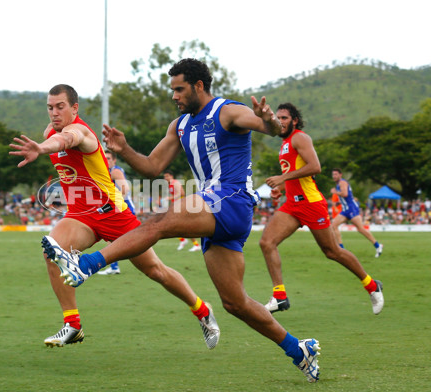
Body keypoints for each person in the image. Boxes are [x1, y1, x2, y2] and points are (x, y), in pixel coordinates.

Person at [40, 60, 321, 383]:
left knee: (160, 221)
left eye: (179, 89)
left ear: (198, 86)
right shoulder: (180, 125)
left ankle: (87, 264)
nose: (174, 95)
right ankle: (298, 349)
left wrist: (269, 120)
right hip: (215, 212)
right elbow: (151, 167)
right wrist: (125, 149)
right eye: (172, 89)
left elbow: (268, 128)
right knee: (235, 303)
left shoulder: (227, 111)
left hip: (230, 199)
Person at [9, 83, 220, 350]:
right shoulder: (49, 131)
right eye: (50, 107)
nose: (54, 112)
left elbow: (67, 139)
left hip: (113, 214)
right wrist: (44, 144)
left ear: (74, 108)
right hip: (81, 216)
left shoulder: (80, 131)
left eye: (60, 106)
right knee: (52, 251)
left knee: (156, 271)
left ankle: (202, 310)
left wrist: (41, 148)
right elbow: (55, 138)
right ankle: (73, 325)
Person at [259, 103, 384, 316]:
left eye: (285, 118)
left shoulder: (300, 138)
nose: (280, 121)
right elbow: (295, 173)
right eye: (278, 118)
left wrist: (282, 178)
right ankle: (280, 297)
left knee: (332, 251)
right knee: (266, 242)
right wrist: (279, 188)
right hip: (293, 205)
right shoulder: (285, 143)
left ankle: (372, 286)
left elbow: (315, 167)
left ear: (294, 120)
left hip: (311, 203)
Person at [97, 150, 135, 275]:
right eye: (104, 158)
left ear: (114, 160)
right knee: (112, 238)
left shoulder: (115, 171)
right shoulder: (109, 172)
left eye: (108, 158)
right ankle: (114, 267)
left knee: (132, 241)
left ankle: (114, 267)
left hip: (123, 207)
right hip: (120, 207)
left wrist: (114, 206)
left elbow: (125, 189)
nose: (106, 160)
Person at [331, 168, 383, 257]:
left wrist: (335, 192)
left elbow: (345, 194)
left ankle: (378, 246)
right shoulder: (339, 184)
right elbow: (348, 196)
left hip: (351, 209)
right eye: (333, 174)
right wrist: (340, 202)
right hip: (345, 209)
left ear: (340, 175)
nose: (334, 176)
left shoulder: (342, 182)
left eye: (336, 174)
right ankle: (341, 249)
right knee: (334, 225)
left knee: (360, 229)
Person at [163, 170, 200, 252]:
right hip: (175, 206)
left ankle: (196, 245)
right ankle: (184, 240)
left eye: (167, 176)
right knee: (173, 224)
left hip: (180, 207)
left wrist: (169, 198)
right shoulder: (170, 184)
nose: (165, 178)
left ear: (171, 176)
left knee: (185, 226)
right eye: (164, 177)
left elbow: (182, 193)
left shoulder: (175, 183)